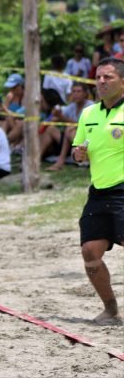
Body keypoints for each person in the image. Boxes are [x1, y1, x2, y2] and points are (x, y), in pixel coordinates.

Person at [70, 57, 124, 325]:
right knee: (90, 252)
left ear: (122, 81)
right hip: (99, 191)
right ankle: (111, 310)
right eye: (99, 77)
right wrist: (78, 154)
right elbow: (77, 153)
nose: (102, 81)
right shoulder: (88, 114)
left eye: (109, 77)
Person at [47, 83, 94, 171]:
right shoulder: (72, 106)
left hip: (88, 141)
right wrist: (55, 116)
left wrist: (62, 118)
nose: (75, 94)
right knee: (50, 128)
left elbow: (83, 126)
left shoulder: (90, 106)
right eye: (73, 91)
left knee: (69, 129)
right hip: (72, 140)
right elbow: (59, 116)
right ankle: (36, 157)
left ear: (85, 94)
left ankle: (60, 161)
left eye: (79, 91)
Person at [0, 73, 25, 146]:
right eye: (11, 88)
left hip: (20, 122)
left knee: (10, 119)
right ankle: (1, 141)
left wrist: (3, 108)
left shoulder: (26, 97)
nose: (12, 90)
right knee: (0, 123)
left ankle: (5, 143)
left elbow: (18, 115)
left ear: (20, 86)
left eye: (14, 87)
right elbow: (3, 114)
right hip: (9, 121)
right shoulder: (10, 96)